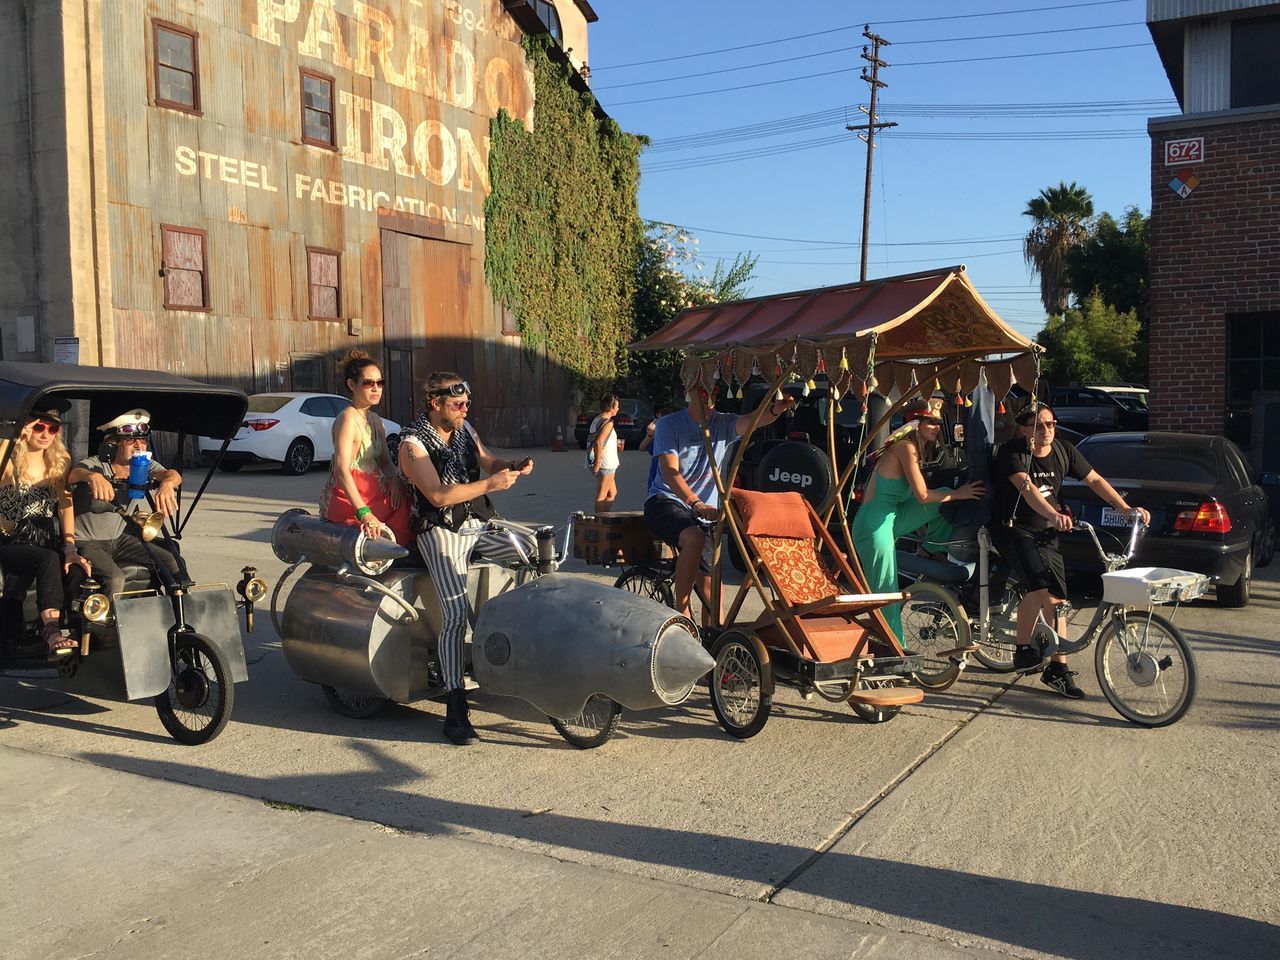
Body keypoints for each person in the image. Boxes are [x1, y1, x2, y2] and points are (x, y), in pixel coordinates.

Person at [397, 372, 534, 746]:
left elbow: (488, 460)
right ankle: (455, 706)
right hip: (439, 529)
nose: (464, 409)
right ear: (435, 403)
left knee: (534, 553)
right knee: (455, 614)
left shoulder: (464, 428)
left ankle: (518, 649)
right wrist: (491, 485)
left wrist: (511, 465)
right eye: (457, 404)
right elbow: (439, 496)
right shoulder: (413, 444)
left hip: (477, 522)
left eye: (467, 404)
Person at [992, 403, 1150, 698]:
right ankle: (1031, 654)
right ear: (1024, 429)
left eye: (1051, 424)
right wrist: (1053, 514)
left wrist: (1125, 508)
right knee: (1042, 591)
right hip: (1013, 528)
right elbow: (1028, 490)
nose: (1046, 431)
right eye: (1039, 426)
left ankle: (1052, 667)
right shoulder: (1013, 454)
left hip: (1047, 530)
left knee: (1058, 599)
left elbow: (1095, 480)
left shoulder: (1064, 450)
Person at [644, 383, 797, 619]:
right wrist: (696, 503)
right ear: (689, 393)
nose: (710, 399)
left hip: (705, 514)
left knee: (714, 593)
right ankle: (681, 608)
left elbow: (752, 420)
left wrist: (776, 409)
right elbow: (669, 472)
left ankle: (713, 640)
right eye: (703, 392)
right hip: (667, 501)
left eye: (713, 392)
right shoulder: (669, 424)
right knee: (693, 537)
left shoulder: (723, 423)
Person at [851, 397, 985, 643]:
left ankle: (931, 550)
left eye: (937, 422)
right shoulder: (905, 448)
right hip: (874, 526)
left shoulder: (917, 448)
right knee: (887, 593)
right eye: (930, 422)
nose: (936, 427)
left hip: (892, 517)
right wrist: (958, 493)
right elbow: (922, 496)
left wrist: (953, 493)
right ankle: (895, 648)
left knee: (942, 496)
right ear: (915, 424)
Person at [0, 405, 91, 657]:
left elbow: (65, 506)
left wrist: (70, 548)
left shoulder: (59, 461)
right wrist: (12, 438)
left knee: (77, 567)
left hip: (47, 538)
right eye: (39, 426)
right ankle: (51, 629)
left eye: (52, 428)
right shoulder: (9, 460)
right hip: (11, 539)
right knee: (48, 560)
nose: (45, 434)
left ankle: (76, 627)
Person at [66, 408, 183, 597]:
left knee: (171, 561)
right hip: (87, 540)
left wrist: (167, 484)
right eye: (131, 440)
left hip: (120, 538)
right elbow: (73, 475)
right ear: (114, 444)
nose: (139, 445)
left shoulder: (143, 464)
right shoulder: (96, 464)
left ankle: (178, 612)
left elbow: (173, 474)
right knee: (115, 578)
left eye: (143, 440)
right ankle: (105, 624)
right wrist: (93, 477)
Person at [319, 350, 411, 545]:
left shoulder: (375, 420)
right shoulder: (347, 419)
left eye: (380, 383)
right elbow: (342, 470)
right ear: (352, 385)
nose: (376, 388)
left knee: (411, 502)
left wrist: (395, 479)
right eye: (368, 383)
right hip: (352, 501)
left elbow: (385, 462)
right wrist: (364, 513)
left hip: (374, 493)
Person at [586, 394, 621, 514]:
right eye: (617, 407)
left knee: (612, 493)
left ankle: (605, 517)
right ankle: (600, 522)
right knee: (601, 496)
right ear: (611, 408)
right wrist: (598, 462)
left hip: (601, 461)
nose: (618, 409)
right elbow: (599, 441)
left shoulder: (598, 419)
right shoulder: (608, 423)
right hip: (605, 463)